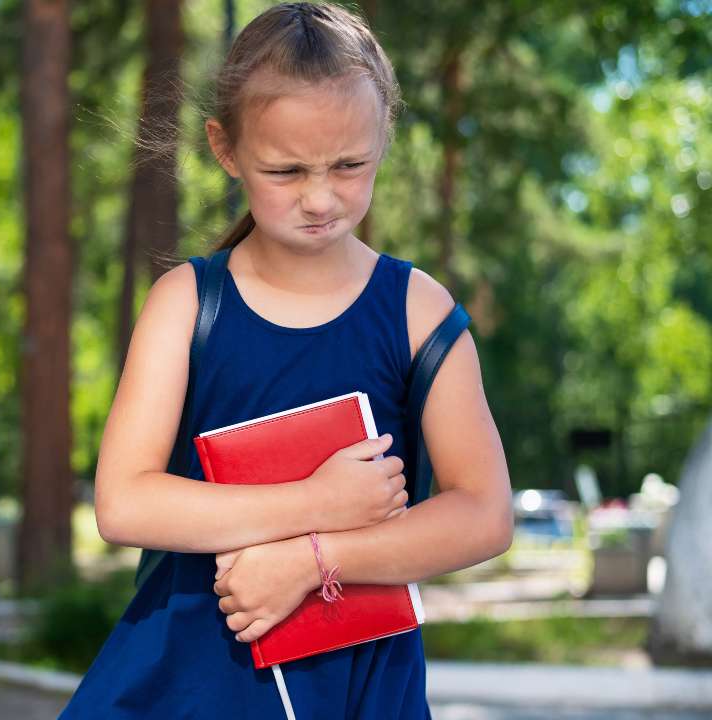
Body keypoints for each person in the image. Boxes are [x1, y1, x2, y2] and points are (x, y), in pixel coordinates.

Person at [61, 3, 512, 718]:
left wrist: (313, 562)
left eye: (348, 165)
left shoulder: (417, 309)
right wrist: (315, 505)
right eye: (286, 170)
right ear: (226, 148)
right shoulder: (187, 304)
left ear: (384, 136)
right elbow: (122, 502)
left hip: (359, 687)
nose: (320, 197)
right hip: (189, 684)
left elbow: (484, 513)